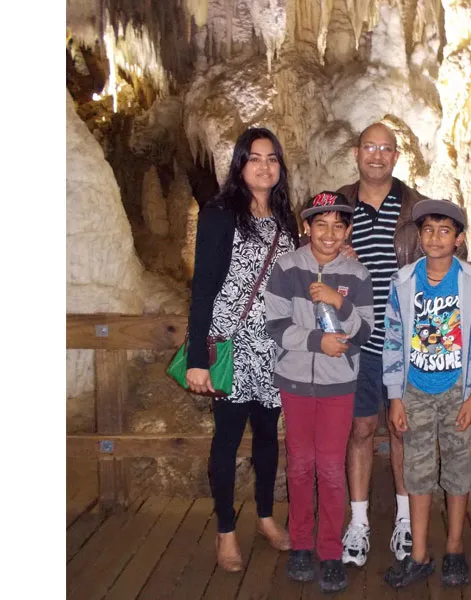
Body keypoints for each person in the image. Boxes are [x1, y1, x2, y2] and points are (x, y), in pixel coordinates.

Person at [337, 122, 471, 567]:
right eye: (370, 147)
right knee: (360, 430)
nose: (377, 155)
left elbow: (460, 267)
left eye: (386, 148)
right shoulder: (339, 206)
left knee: (403, 434)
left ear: (396, 156)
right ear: (357, 152)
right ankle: (358, 523)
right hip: (358, 343)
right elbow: (314, 253)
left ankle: (405, 523)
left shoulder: (415, 208)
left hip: (414, 351)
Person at [185, 127, 299, 572]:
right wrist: (198, 359)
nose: (264, 166)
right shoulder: (220, 214)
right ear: (240, 164)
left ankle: (266, 517)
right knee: (228, 440)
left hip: (273, 347)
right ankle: (226, 530)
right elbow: (202, 289)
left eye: (272, 158)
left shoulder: (286, 218)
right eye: (254, 158)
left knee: (268, 436)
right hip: (232, 345)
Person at [382, 199, 471, 588]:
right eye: (429, 230)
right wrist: (395, 396)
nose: (435, 238)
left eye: (445, 231)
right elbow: (393, 340)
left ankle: (454, 547)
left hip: (457, 389)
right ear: (419, 236)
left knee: (457, 466)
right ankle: (419, 553)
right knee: (416, 470)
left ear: (459, 239)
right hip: (415, 388)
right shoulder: (403, 282)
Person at [265, 191, 374, 593]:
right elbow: (276, 325)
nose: (329, 234)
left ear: (348, 231)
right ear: (306, 227)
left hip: (337, 385)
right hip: (295, 381)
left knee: (329, 467)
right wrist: (317, 342)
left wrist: (338, 303)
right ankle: (300, 544)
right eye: (321, 225)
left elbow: (365, 331)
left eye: (338, 226)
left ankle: (330, 550)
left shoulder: (357, 275)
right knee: (299, 464)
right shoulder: (287, 268)